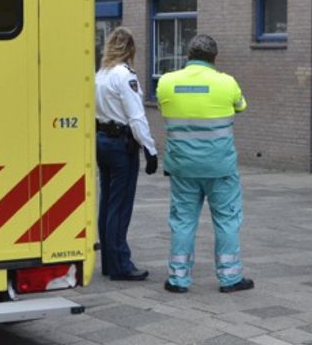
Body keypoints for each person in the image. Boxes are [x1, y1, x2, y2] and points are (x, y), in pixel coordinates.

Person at [156, 34, 253, 294]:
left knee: (183, 221)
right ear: (215, 58)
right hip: (220, 168)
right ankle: (230, 278)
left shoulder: (167, 82)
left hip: (182, 168)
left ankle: (178, 279)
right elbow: (240, 106)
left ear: (188, 56)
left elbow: (162, 106)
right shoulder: (227, 83)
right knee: (227, 221)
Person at [95, 27, 158, 281]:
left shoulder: (99, 74)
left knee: (107, 202)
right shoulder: (125, 75)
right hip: (121, 145)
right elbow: (136, 116)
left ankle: (109, 262)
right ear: (130, 49)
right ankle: (121, 263)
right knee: (120, 206)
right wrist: (150, 149)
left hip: (101, 140)